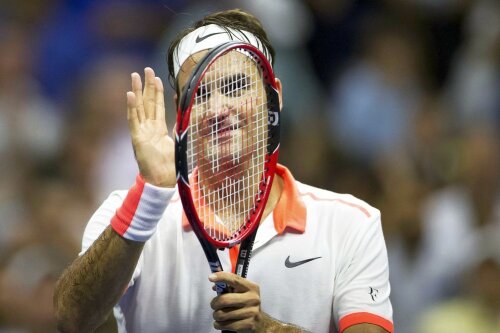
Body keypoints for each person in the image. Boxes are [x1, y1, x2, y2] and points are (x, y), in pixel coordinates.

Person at [54, 9, 393, 333]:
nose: (217, 108)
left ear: (273, 96)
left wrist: (268, 328)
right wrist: (150, 194)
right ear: (180, 112)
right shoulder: (128, 213)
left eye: (235, 87)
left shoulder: (352, 224)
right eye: (200, 93)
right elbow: (72, 321)